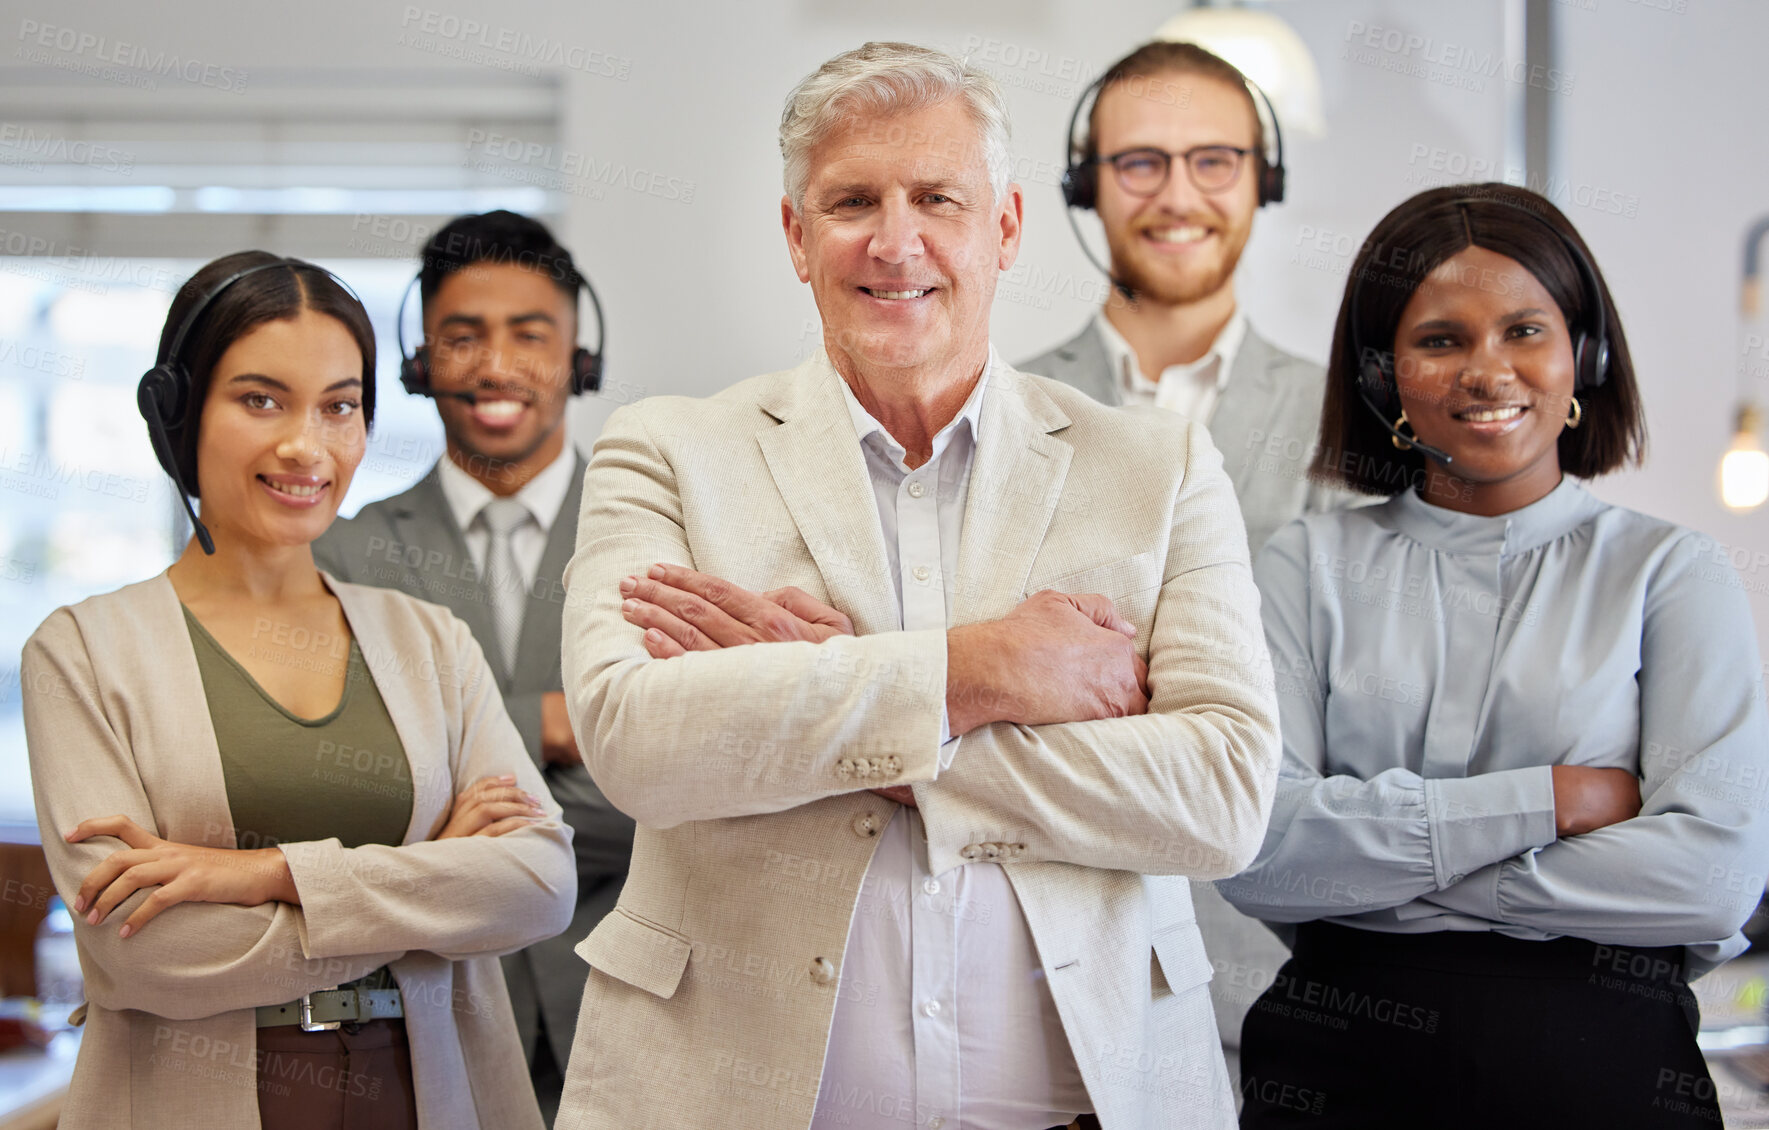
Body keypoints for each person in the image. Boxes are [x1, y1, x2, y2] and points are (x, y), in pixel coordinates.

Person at [554, 42, 1280, 1130]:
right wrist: (983, 668)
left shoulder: (1156, 468)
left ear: (1006, 226)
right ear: (796, 236)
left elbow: (1221, 796)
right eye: (852, 201)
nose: (896, 242)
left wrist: (824, 699)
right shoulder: (662, 449)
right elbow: (636, 740)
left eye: (937, 197)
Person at [1217, 184, 1769, 1128]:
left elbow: (1713, 876)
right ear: (1383, 373)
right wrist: (1550, 801)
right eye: (1439, 340)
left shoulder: (1670, 573)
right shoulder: (1302, 565)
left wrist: (1386, 875)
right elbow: (1254, 849)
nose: (1486, 370)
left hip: (1608, 1079)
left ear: (1583, 354)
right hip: (1336, 1079)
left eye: (1523, 330)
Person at [22, 250, 576, 1130]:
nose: (305, 445)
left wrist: (259, 875)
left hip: (424, 1091)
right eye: (260, 399)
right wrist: (431, 894)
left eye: (340, 406)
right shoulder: (84, 651)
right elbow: (146, 953)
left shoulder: (429, 641)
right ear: (177, 410)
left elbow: (537, 884)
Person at [1019, 39, 1352, 1080]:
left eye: (1213, 160)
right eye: (1139, 162)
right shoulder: (1003, 406)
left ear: (1263, 181)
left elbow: (1335, 704)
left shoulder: (1347, 419)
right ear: (1087, 185)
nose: (1177, 195)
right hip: (1038, 968)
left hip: (1272, 975)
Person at [314, 211, 633, 1120]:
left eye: (529, 335)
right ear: (420, 363)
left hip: (626, 1020)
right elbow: (358, 793)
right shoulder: (342, 554)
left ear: (580, 355)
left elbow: (676, 790)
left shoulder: (659, 535)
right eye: (462, 336)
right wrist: (555, 725)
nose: (495, 366)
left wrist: (457, 803)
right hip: (424, 1028)